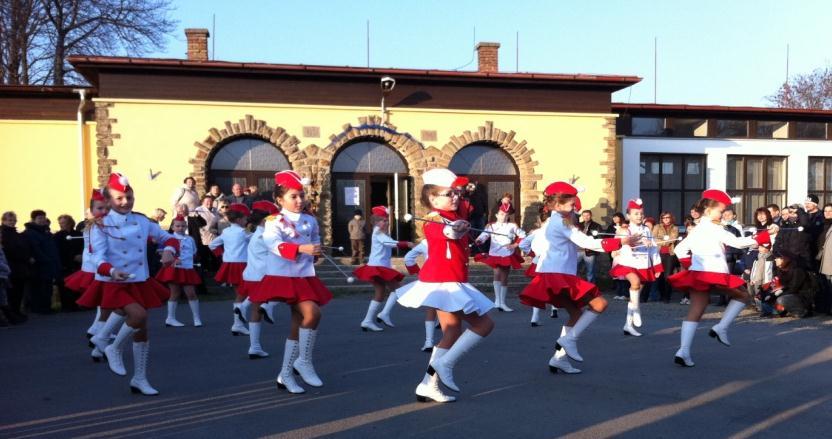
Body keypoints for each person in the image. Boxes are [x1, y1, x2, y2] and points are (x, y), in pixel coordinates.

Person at [395, 168, 494, 403]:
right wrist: (457, 227)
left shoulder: (454, 211)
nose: (455, 197)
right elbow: (446, 231)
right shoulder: (433, 220)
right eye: (449, 194)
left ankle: (428, 384)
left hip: (450, 280)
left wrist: (467, 190)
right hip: (444, 283)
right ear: (432, 198)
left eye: (456, 193)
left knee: (451, 331)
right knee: (485, 324)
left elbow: (465, 208)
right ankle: (444, 363)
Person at [77, 172, 180, 395]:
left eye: (129, 197)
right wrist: (112, 270)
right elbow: (97, 258)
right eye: (120, 198)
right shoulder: (100, 225)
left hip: (138, 280)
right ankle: (112, 347)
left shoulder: (142, 221)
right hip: (113, 281)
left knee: (142, 330)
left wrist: (170, 251)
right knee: (138, 315)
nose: (126, 202)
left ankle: (139, 378)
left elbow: (167, 238)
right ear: (108, 200)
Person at [519, 181, 632, 375]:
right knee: (599, 304)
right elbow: (586, 241)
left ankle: (559, 359)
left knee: (576, 314)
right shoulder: (561, 223)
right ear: (557, 205)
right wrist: (620, 241)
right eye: (572, 204)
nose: (575, 208)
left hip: (554, 274)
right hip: (559, 275)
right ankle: (568, 341)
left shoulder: (553, 223)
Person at [668, 189, 772, 367]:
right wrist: (764, 235)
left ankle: (683, 351)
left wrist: (693, 264)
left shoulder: (698, 228)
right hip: (715, 274)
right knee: (743, 296)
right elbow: (738, 243)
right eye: (720, 210)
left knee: (696, 310)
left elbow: (679, 250)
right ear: (708, 211)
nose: (723, 214)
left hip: (698, 274)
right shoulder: (714, 228)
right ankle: (721, 327)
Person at [253, 170, 332, 395]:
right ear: (280, 199)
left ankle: (285, 374)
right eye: (293, 197)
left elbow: (315, 237)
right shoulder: (273, 221)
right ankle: (304, 361)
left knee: (297, 324)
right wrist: (299, 248)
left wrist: (317, 251)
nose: (299, 201)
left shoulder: (309, 219)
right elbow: (273, 244)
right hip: (282, 276)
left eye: (301, 195)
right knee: (313, 314)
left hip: (304, 276)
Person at [608, 199, 662, 337]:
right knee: (635, 283)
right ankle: (637, 310)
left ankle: (628, 325)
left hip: (644, 265)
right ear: (628, 216)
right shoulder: (625, 230)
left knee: (635, 296)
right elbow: (622, 244)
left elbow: (654, 250)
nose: (639, 216)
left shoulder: (646, 229)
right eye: (636, 213)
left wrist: (657, 267)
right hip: (628, 263)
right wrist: (637, 240)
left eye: (641, 214)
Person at [354, 206, 413, 331]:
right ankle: (384, 314)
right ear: (375, 222)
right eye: (382, 220)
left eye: (386, 220)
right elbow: (389, 243)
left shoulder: (382, 232)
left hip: (378, 266)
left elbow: (388, 242)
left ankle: (367, 320)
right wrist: (406, 243)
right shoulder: (378, 232)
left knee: (380, 293)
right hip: (378, 267)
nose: (385, 222)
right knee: (398, 289)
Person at [241, 201, 281, 360]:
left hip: (253, 275)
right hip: (265, 276)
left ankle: (254, 346)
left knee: (255, 311)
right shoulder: (266, 235)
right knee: (287, 292)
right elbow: (280, 250)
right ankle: (267, 305)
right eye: (274, 219)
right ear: (265, 220)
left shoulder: (255, 234)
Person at [209, 203, 252, 336]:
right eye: (245, 219)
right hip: (242, 265)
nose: (247, 221)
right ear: (239, 220)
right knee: (248, 292)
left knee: (239, 294)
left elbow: (212, 244)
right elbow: (258, 241)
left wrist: (222, 255)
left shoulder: (226, 231)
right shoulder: (244, 232)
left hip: (229, 265)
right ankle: (238, 323)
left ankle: (237, 324)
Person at [474, 203, 526, 312]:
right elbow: (485, 235)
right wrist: (480, 240)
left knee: (504, 277)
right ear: (497, 215)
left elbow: (523, 236)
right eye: (502, 214)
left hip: (507, 253)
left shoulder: (512, 226)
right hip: (495, 253)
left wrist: (514, 245)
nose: (504, 217)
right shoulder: (491, 226)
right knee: (496, 274)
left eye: (506, 215)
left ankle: (503, 302)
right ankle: (497, 301)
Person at [156, 215, 203, 328]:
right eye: (177, 226)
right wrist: (173, 258)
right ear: (172, 227)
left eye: (183, 226)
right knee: (175, 293)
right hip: (173, 269)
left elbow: (193, 253)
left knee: (191, 293)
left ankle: (196, 318)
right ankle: (170, 318)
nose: (180, 228)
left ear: (186, 226)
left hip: (187, 269)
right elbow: (161, 252)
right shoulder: (168, 238)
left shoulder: (190, 239)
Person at [403, 240, 443, 351]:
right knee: (449, 308)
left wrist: (419, 272)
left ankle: (429, 342)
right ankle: (447, 342)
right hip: (449, 277)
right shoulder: (451, 239)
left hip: (431, 277)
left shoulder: (426, 241)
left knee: (431, 308)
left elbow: (408, 258)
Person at [22, 210, 60, 314]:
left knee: (48, 287)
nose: (42, 220)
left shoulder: (46, 232)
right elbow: (35, 249)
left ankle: (47, 307)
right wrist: (46, 259)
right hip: (38, 266)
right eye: (39, 218)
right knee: (38, 288)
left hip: (49, 265)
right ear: (33, 220)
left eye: (43, 218)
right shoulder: (30, 233)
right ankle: (39, 308)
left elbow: (52, 248)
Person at [759, 250, 815, 318]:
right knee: (762, 295)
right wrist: (770, 293)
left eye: (777, 258)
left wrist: (777, 294)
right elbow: (780, 285)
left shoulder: (797, 270)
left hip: (802, 297)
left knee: (781, 299)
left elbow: (793, 288)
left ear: (785, 259)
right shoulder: (781, 270)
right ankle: (776, 312)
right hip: (789, 294)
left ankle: (801, 312)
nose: (775, 260)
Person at [0, 212, 30, 323]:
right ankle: (11, 314)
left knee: (18, 292)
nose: (12, 223)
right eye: (9, 220)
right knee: (10, 293)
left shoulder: (17, 234)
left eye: (13, 220)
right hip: (9, 267)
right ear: (3, 221)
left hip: (20, 267)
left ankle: (16, 311)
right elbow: (8, 250)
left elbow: (24, 248)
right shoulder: (3, 233)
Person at [54, 214, 83, 312]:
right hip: (65, 264)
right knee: (65, 286)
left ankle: (77, 304)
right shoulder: (57, 236)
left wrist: (80, 255)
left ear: (70, 223)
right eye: (60, 223)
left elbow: (83, 246)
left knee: (77, 285)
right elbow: (58, 251)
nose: (62, 225)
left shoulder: (78, 234)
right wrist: (71, 258)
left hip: (77, 263)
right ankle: (66, 306)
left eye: (65, 223)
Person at [653, 212, 679, 303]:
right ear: (661, 219)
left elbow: (672, 239)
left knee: (668, 275)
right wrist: (665, 240)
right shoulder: (657, 227)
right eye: (664, 218)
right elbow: (654, 239)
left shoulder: (675, 228)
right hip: (658, 253)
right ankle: (661, 295)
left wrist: (663, 240)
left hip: (670, 254)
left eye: (668, 217)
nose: (666, 219)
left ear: (671, 218)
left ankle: (667, 296)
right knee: (659, 276)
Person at [193, 195, 220, 272]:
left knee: (214, 254)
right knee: (204, 254)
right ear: (203, 202)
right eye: (207, 201)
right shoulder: (198, 210)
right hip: (203, 235)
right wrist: (207, 228)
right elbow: (197, 223)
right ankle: (205, 270)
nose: (209, 203)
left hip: (214, 235)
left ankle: (215, 270)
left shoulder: (216, 210)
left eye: (211, 201)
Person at [576, 210, 603, 284]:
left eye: (587, 215)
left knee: (590, 271)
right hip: (578, 250)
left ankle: (591, 288)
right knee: (575, 270)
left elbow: (599, 238)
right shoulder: (578, 225)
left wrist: (591, 245)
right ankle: (577, 286)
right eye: (584, 215)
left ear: (591, 216)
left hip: (590, 251)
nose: (586, 217)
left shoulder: (596, 226)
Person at [814, 203, 832, 315]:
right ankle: (826, 308)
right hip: (821, 259)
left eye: (830, 211)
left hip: (829, 260)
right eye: (825, 211)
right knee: (825, 286)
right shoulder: (822, 224)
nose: (828, 213)